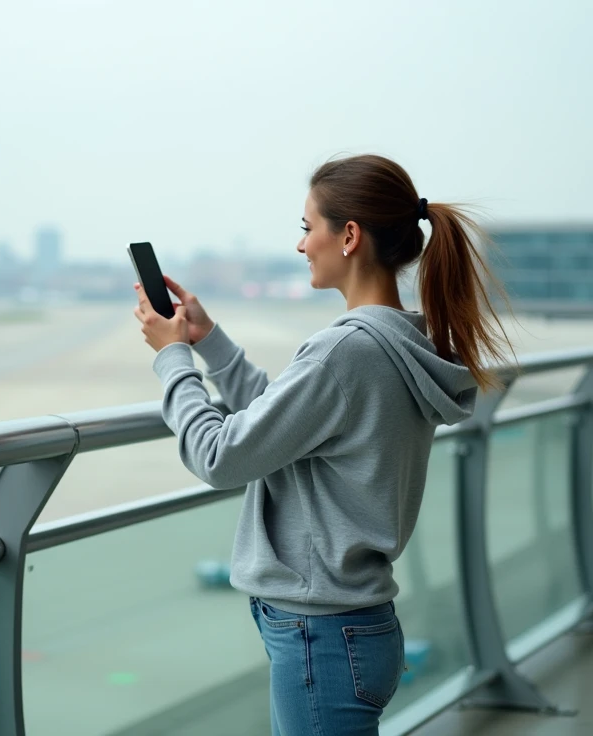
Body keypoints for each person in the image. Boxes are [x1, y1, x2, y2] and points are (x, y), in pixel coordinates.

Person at [132, 154, 512, 735]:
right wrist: (209, 343)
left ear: (350, 236)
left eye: (308, 228)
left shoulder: (348, 351)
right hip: (351, 625)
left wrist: (172, 360)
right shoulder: (397, 341)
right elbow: (288, 424)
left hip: (323, 634)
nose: (302, 246)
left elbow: (221, 454)